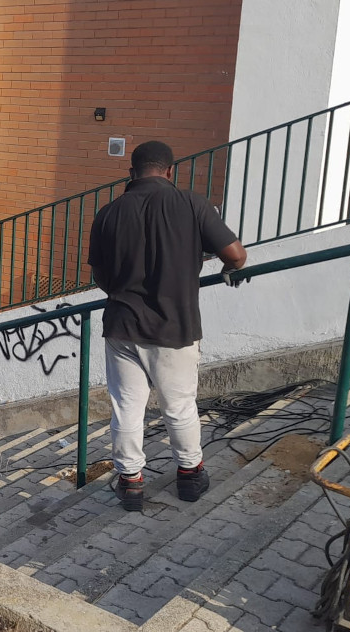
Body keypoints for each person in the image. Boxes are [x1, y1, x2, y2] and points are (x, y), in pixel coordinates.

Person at [87, 141, 247, 512]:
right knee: (178, 406)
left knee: (127, 406)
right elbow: (236, 255)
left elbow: (101, 279)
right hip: (175, 328)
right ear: (169, 171)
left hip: (122, 326)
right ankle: (190, 477)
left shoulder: (108, 213)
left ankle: (130, 484)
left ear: (132, 172)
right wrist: (226, 268)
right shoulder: (192, 204)